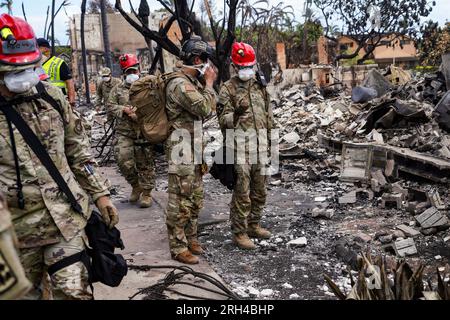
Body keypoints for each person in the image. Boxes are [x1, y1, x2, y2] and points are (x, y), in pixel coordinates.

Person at [0, 14, 119, 299]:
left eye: (30, 66)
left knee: (74, 293)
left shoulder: (52, 97)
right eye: (13, 69)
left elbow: (79, 152)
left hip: (64, 220)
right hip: (14, 235)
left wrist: (101, 195)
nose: (24, 76)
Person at [164, 35, 217, 264]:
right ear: (197, 59)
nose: (208, 65)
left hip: (193, 146)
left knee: (195, 197)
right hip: (181, 147)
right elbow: (205, 108)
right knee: (180, 199)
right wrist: (210, 84)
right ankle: (178, 246)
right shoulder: (180, 84)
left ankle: (191, 237)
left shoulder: (190, 82)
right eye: (205, 60)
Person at [218, 42, 274, 250]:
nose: (246, 70)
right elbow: (223, 120)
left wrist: (272, 140)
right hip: (240, 148)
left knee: (260, 190)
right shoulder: (227, 89)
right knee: (242, 192)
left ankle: (254, 224)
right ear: (234, 65)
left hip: (260, 146)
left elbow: (268, 114)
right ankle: (239, 233)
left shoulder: (259, 84)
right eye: (242, 67)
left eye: (249, 66)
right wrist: (237, 114)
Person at [107, 54, 155, 208]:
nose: (131, 74)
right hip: (124, 131)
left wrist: (140, 113)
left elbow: (156, 105)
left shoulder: (148, 87)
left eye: (133, 70)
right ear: (123, 73)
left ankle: (147, 193)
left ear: (139, 70)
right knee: (122, 160)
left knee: (145, 163)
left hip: (143, 131)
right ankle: (136, 185)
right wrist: (124, 110)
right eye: (128, 72)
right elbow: (110, 105)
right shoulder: (117, 89)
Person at [37, 38, 76, 107]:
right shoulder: (35, 64)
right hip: (42, 102)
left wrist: (71, 101)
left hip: (59, 100)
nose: (35, 51)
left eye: (38, 48)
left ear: (45, 49)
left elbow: (69, 82)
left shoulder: (59, 63)